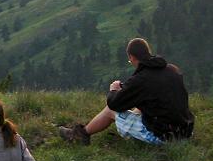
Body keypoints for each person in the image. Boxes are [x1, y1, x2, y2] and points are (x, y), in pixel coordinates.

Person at [59, 37, 194, 145]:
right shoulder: (172, 69)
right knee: (141, 108)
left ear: (132, 57)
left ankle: (80, 135)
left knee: (110, 110)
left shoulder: (141, 79)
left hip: (164, 137)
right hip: (185, 132)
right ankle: (131, 130)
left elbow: (115, 104)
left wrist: (114, 90)